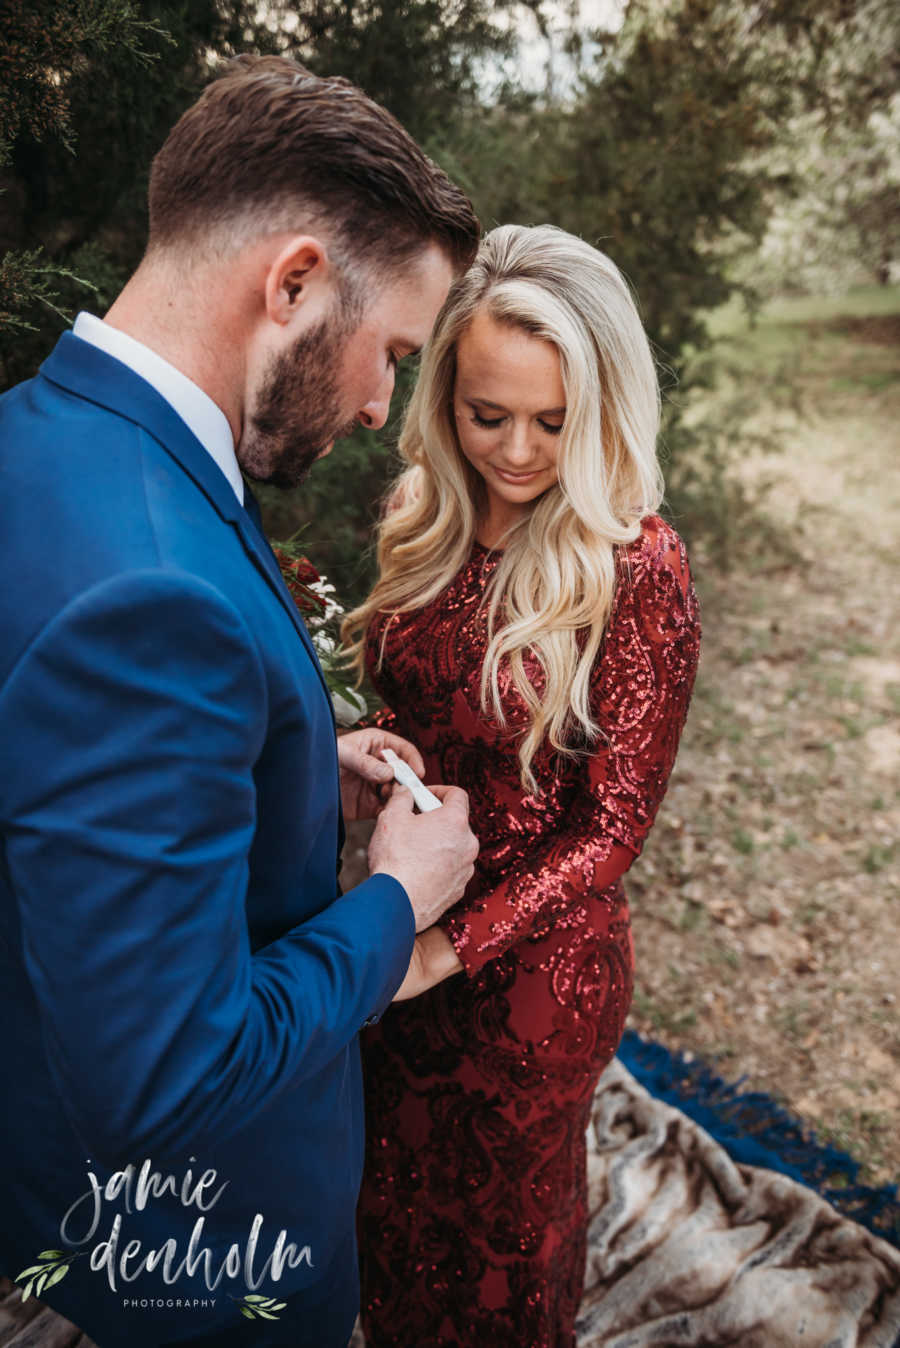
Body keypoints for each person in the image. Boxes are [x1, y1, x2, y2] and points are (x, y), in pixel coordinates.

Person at [0, 55, 481, 1348]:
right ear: (296, 282)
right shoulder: (151, 590)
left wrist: (289, 765)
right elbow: (172, 1073)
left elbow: (59, 805)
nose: (385, 406)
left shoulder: (37, 439)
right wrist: (400, 900)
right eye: (392, 353)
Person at [338, 224, 702, 1347]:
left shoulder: (634, 563)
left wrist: (442, 950)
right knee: (384, 1219)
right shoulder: (422, 511)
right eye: (486, 414)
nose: (518, 451)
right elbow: (418, 697)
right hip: (398, 928)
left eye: (554, 421)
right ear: (444, 392)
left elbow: (612, 830)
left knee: (498, 1266)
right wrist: (372, 748)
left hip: (531, 982)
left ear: (599, 405)